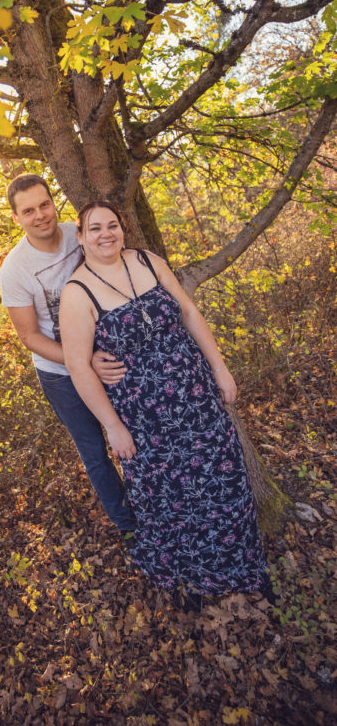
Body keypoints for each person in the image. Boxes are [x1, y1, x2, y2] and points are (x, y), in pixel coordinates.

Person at [58, 200, 273, 600]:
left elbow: (189, 312)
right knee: (171, 500)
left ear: (122, 229)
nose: (106, 234)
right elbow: (78, 367)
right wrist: (113, 427)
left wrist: (220, 368)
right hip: (146, 421)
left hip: (198, 399)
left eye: (113, 225)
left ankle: (239, 565)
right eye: (95, 228)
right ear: (81, 236)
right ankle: (191, 578)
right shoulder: (77, 293)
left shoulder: (147, 260)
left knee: (223, 483)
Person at [0, 175, 135, 533]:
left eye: (44, 204)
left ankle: (157, 504)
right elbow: (29, 336)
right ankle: (129, 526)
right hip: (61, 374)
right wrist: (82, 359)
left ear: (52, 201)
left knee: (135, 432)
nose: (40, 215)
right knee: (95, 452)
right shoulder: (15, 269)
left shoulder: (79, 234)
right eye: (28, 211)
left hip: (112, 358)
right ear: (16, 218)